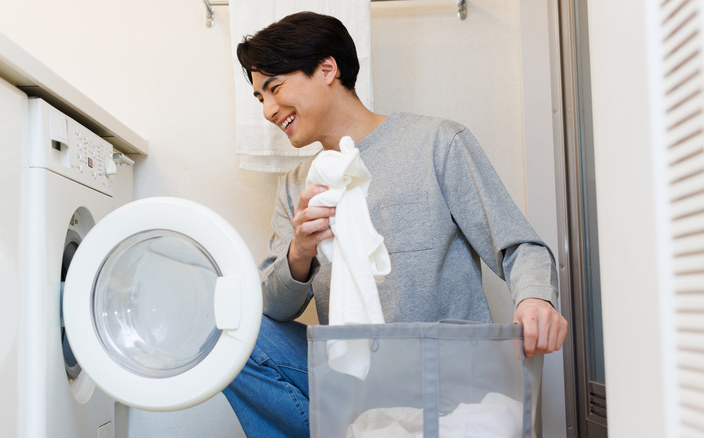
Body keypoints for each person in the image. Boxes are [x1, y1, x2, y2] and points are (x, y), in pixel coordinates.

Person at [222, 11, 568, 438]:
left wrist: (536, 300)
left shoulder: (437, 143)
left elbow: (520, 246)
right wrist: (300, 250)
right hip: (354, 377)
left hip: (443, 372)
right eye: (259, 99)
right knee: (235, 334)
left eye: (273, 89)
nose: (269, 111)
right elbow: (272, 309)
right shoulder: (298, 185)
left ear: (327, 69)